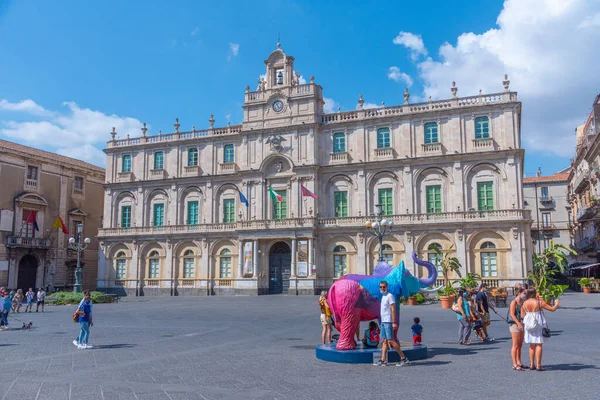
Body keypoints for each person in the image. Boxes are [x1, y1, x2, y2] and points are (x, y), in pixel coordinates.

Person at [521, 288, 559, 371]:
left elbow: (522, 315)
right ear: (534, 293)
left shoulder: (524, 303)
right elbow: (552, 309)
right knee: (538, 344)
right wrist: (556, 304)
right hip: (538, 323)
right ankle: (538, 365)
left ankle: (532, 364)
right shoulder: (539, 302)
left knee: (531, 344)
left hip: (528, 324)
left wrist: (530, 317)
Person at [374, 281, 410, 366]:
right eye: (381, 287)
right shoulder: (383, 296)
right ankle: (383, 360)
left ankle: (403, 358)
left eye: (384, 287)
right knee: (384, 340)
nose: (382, 288)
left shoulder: (390, 296)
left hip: (388, 321)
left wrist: (394, 322)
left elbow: (393, 309)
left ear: (387, 287)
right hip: (383, 321)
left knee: (391, 340)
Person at [508, 287, 527, 370]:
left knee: (520, 344)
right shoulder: (514, 302)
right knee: (515, 345)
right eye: (524, 293)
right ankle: (514, 363)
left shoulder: (522, 302)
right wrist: (518, 323)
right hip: (514, 324)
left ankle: (519, 362)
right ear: (519, 293)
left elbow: (522, 315)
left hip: (521, 323)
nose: (525, 295)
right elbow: (512, 314)